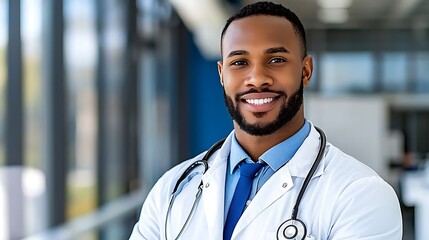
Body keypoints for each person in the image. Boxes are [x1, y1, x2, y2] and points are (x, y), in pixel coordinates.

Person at [129, 1, 402, 239]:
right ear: (222, 75)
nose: (257, 78)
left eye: (276, 60)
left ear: (305, 71)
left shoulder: (362, 195)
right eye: (239, 62)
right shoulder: (173, 188)